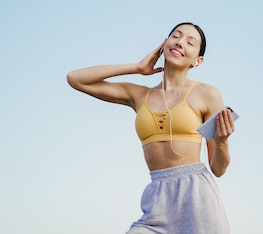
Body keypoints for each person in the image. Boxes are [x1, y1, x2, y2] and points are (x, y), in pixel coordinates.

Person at [67, 22, 235, 233]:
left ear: (198, 61)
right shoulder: (139, 95)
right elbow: (75, 79)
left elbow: (218, 169)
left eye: (190, 42)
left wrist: (221, 141)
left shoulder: (208, 94)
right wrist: (137, 68)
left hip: (198, 196)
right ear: (164, 44)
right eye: (176, 36)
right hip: (157, 198)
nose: (180, 42)